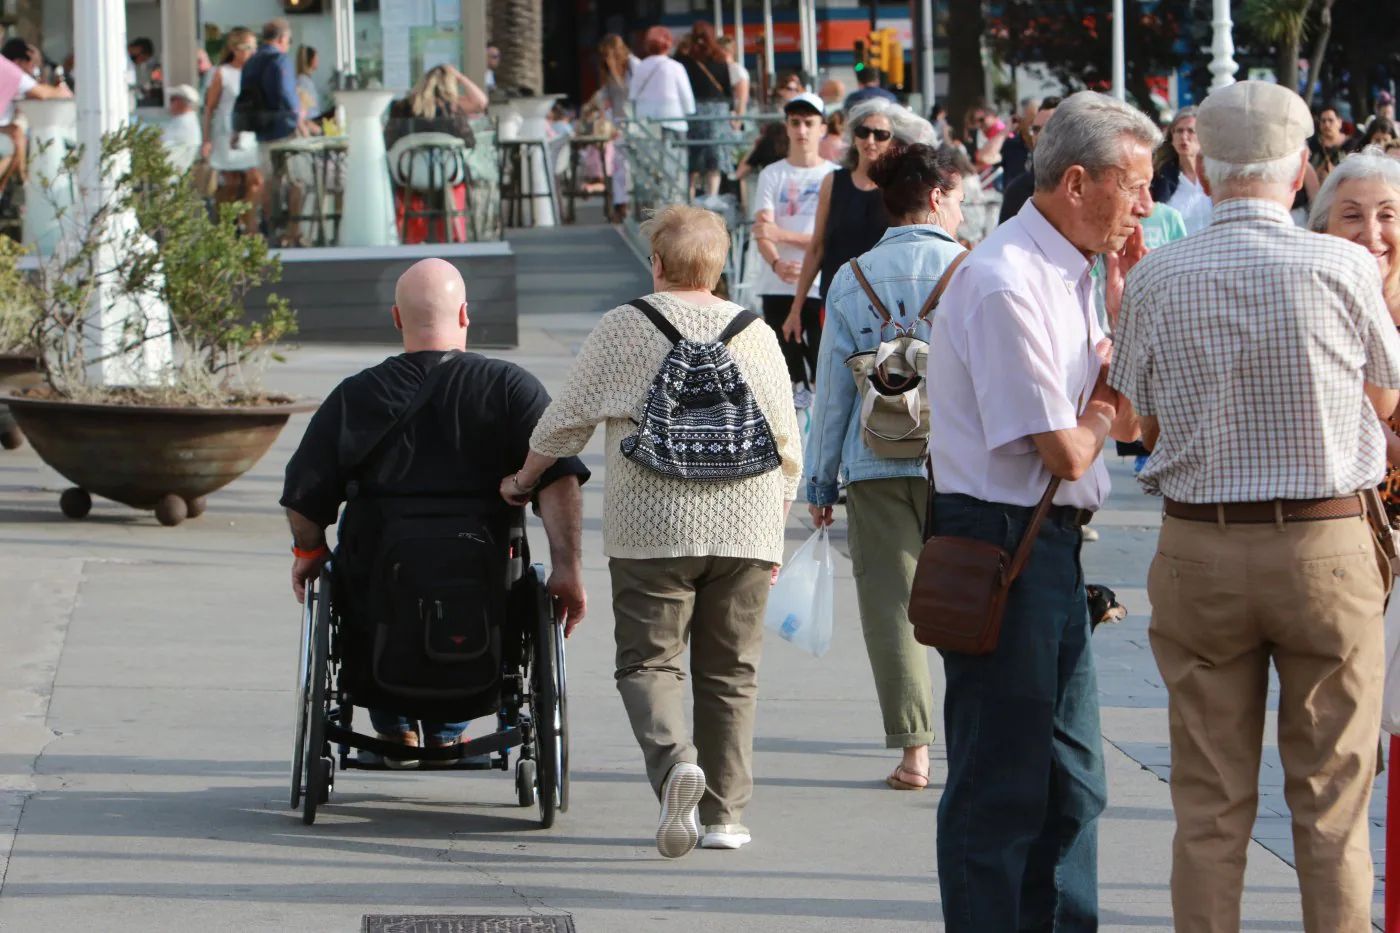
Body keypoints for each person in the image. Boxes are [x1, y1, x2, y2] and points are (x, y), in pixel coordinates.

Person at [1112, 82, 1400, 933]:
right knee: (1332, 806)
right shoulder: (1346, 265)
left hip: (1202, 544)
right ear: (1302, 168)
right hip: (1326, 540)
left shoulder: (1161, 272)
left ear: (1200, 165)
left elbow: (1138, 420)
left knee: (1207, 804)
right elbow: (1386, 401)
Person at [503, 204, 802, 858]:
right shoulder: (757, 333)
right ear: (720, 268)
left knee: (648, 661)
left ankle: (675, 766)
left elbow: (565, 423)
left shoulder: (625, 326)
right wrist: (771, 531)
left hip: (652, 527)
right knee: (732, 671)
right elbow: (787, 447)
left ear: (657, 264)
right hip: (746, 527)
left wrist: (522, 480)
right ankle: (726, 816)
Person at [927, 90, 1155, 932]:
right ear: (1074, 182)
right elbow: (1067, 446)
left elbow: (1122, 418)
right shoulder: (1004, 279)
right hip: (1001, 543)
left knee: (1073, 778)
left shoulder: (1076, 273)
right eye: (1133, 184)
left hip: (1047, 548)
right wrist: (1100, 403)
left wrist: (1120, 321)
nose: (1144, 204)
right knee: (1003, 782)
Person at [281, 258, 589, 763]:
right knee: (492, 588)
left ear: (397, 319)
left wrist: (309, 550)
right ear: (465, 314)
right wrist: (567, 570)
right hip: (485, 597)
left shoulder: (356, 396)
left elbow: (304, 494)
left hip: (377, 593)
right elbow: (558, 478)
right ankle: (450, 729)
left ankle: (393, 727)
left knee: (357, 579)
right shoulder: (511, 389)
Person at [808, 143, 964, 791]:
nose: (960, 208)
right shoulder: (970, 268)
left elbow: (831, 392)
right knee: (965, 601)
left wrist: (820, 481)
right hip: (955, 465)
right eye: (957, 197)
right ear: (934, 197)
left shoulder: (851, 277)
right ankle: (976, 740)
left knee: (888, 604)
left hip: (873, 463)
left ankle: (914, 752)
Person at [783, 98, 936, 338]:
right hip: (836, 303)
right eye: (863, 132)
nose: (870, 141)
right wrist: (796, 309)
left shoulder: (898, 189)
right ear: (853, 137)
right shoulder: (833, 182)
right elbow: (816, 247)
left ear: (892, 140)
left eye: (881, 134)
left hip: (887, 310)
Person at [752, 92, 838, 411]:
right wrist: (775, 262)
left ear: (822, 128)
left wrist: (784, 234)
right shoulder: (771, 174)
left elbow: (829, 237)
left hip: (817, 286)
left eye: (809, 123)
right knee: (786, 373)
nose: (802, 130)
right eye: (795, 123)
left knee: (821, 366)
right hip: (777, 284)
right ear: (787, 127)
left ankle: (820, 439)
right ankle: (795, 440)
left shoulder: (832, 174)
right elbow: (763, 231)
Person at [383, 65, 487, 244]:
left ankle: (410, 235)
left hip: (408, 176)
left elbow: (388, 141)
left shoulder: (401, 108)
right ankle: (454, 234)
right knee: (460, 181)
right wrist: (460, 76)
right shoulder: (452, 110)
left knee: (407, 188)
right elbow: (480, 105)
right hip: (449, 175)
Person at [235, 19, 302, 241]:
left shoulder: (252, 61)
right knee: (296, 181)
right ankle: (293, 231)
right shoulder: (279, 59)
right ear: (282, 38)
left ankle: (271, 227)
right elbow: (286, 95)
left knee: (269, 180)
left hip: (261, 130)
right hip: (283, 130)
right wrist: (297, 119)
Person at [201, 28, 262, 238]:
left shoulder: (255, 73)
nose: (253, 52)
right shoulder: (223, 73)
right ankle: (225, 224)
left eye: (255, 47)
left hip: (248, 132)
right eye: (248, 48)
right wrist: (206, 138)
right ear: (235, 49)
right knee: (232, 181)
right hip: (226, 130)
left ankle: (248, 223)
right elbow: (210, 107)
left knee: (254, 180)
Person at [0, 38, 71, 188]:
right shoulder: (11, 71)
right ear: (19, 61)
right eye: (31, 63)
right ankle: (23, 180)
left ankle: (21, 179)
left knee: (16, 133)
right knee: (16, 136)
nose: (32, 68)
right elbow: (42, 93)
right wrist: (61, 91)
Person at [675, 21, 731, 201]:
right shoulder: (720, 58)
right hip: (717, 111)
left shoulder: (684, 60)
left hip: (694, 110)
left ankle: (690, 200)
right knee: (715, 157)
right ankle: (712, 198)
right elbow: (728, 89)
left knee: (694, 158)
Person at [1148, 108, 1212, 235]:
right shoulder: (1160, 179)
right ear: (1172, 137)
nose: (1184, 137)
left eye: (1191, 131)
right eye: (1179, 131)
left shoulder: (1216, 177)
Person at [997, 96, 1061, 223]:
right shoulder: (1017, 190)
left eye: (1049, 128)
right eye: (1036, 129)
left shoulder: (1090, 186)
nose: (1041, 136)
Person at [596, 34, 637, 223]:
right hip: (619, 122)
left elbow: (635, 93)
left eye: (608, 54)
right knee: (619, 166)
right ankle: (621, 205)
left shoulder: (633, 66)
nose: (606, 58)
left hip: (634, 123)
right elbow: (607, 97)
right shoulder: (609, 72)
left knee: (629, 166)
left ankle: (628, 204)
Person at [735, 72, 803, 183]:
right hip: (772, 141)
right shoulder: (771, 109)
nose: (794, 92)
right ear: (781, 90)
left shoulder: (801, 109)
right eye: (790, 88)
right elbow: (760, 128)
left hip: (787, 142)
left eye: (797, 89)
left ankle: (738, 176)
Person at [629, 26, 693, 144]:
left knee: (649, 160)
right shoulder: (676, 67)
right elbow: (686, 97)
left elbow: (632, 96)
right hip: (673, 120)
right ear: (668, 44)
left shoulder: (640, 67)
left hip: (646, 122)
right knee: (675, 159)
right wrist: (689, 112)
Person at [161, 84, 202, 173]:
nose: (170, 104)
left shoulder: (185, 123)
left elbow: (161, 144)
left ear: (180, 102)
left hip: (169, 175)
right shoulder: (183, 119)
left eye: (172, 100)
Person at [1000, 96, 1039, 186]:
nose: (1036, 129)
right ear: (1019, 121)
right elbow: (986, 157)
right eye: (1032, 123)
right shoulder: (1009, 146)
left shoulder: (1050, 147)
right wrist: (1005, 131)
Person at [1310, 102, 1352, 183]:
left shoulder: (1350, 145)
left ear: (1339, 122)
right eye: (1323, 121)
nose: (1327, 124)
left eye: (1330, 120)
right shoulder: (1314, 144)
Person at [718, 37, 749, 120]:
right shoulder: (720, 69)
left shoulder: (737, 70)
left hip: (733, 118)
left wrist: (738, 121)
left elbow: (742, 99)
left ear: (725, 51)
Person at [128, 36, 159, 107]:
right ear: (138, 48)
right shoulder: (118, 57)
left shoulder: (131, 65)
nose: (141, 62)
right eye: (143, 58)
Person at [294, 45, 321, 125]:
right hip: (311, 122)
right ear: (312, 61)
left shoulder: (306, 80)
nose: (318, 61)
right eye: (317, 58)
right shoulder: (303, 81)